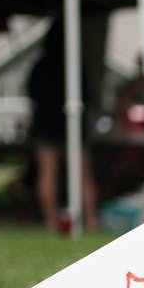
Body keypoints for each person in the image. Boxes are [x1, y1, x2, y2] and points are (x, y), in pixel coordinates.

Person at [26, 20, 98, 233]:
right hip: (72, 121)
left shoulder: (40, 65)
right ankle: (92, 221)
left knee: (48, 173)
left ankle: (51, 223)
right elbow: (88, 95)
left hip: (45, 122)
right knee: (83, 175)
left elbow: (31, 94)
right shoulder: (76, 65)